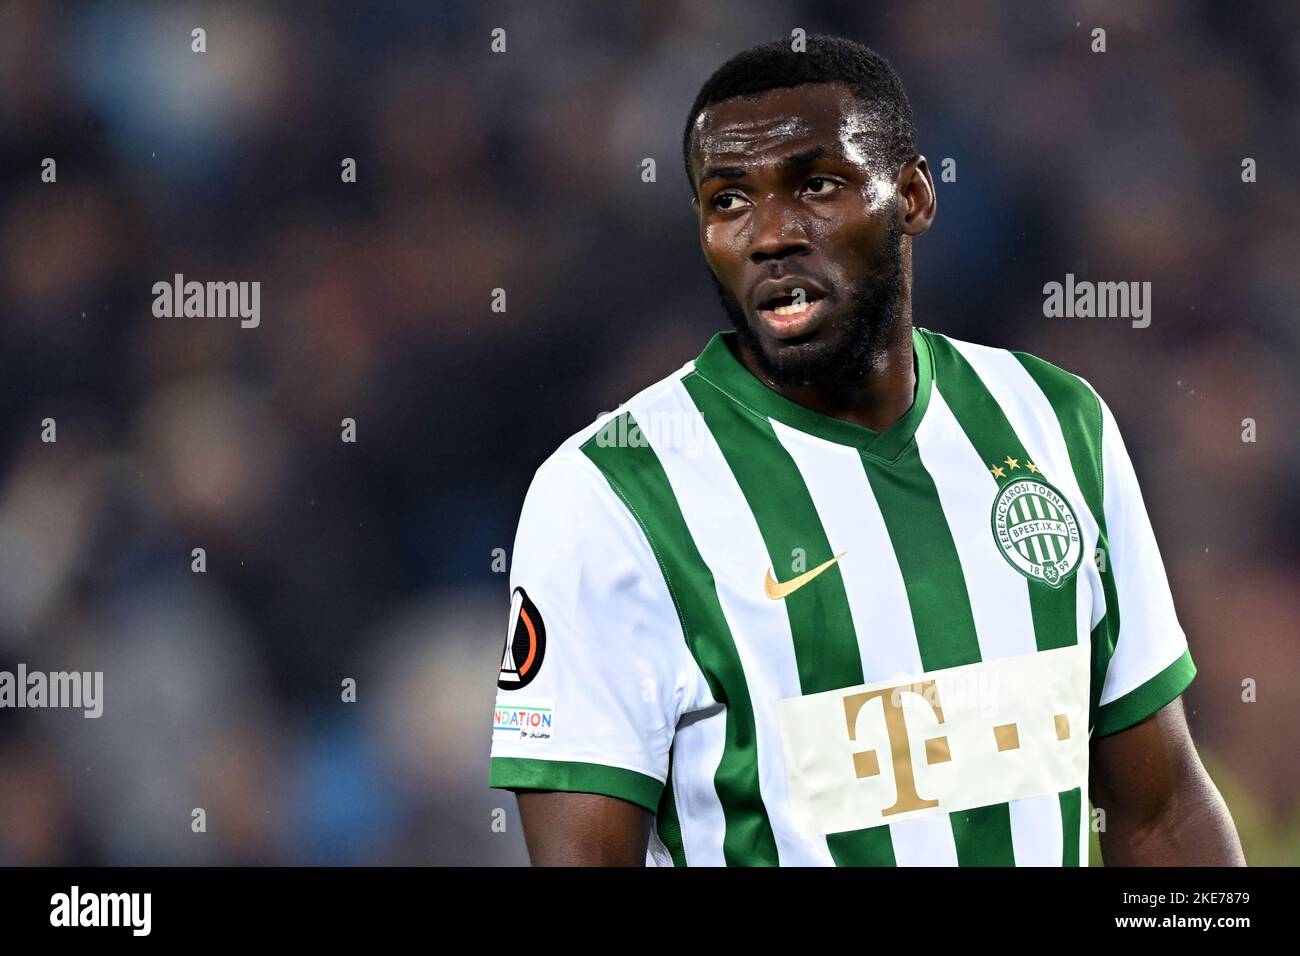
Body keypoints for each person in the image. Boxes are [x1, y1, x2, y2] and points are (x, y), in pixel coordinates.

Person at [488, 34, 1244, 866]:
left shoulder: (1056, 424)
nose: (770, 234)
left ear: (914, 196)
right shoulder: (609, 491)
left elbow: (1161, 811)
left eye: (815, 185)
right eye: (729, 201)